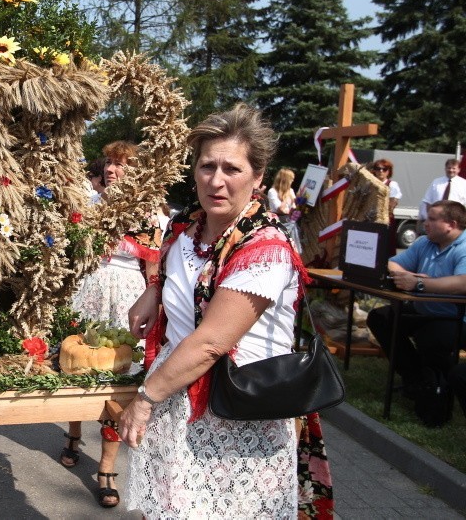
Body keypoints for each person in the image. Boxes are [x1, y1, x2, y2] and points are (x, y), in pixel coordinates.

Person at [118, 104, 315, 517]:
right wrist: (154, 290)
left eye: (232, 169)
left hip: (240, 408)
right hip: (177, 398)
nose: (217, 180)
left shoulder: (265, 250)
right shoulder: (186, 226)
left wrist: (145, 399)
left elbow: (211, 343)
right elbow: (175, 263)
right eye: (208, 166)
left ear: (258, 177)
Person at [60, 141, 161, 509]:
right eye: (109, 164)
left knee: (117, 378)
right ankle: (72, 436)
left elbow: (153, 272)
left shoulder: (147, 215)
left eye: (121, 165)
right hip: (88, 291)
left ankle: (106, 468)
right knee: (76, 364)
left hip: (125, 299)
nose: (112, 170)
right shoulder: (90, 205)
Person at [367, 200, 466, 400]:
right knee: (380, 318)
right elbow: (391, 264)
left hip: (457, 318)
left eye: (432, 219)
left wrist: (420, 283)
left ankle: (441, 384)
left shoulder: (463, 247)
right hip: (425, 311)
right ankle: (415, 378)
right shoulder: (424, 242)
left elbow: (462, 283)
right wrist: (414, 278)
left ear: (451, 224)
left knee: (431, 338)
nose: (425, 223)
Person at [371, 158, 402, 255]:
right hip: (371, 218)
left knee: (385, 246)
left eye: (384, 169)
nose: (381, 171)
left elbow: (393, 203)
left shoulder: (392, 184)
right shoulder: (370, 183)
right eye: (378, 168)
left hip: (386, 219)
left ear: (389, 172)